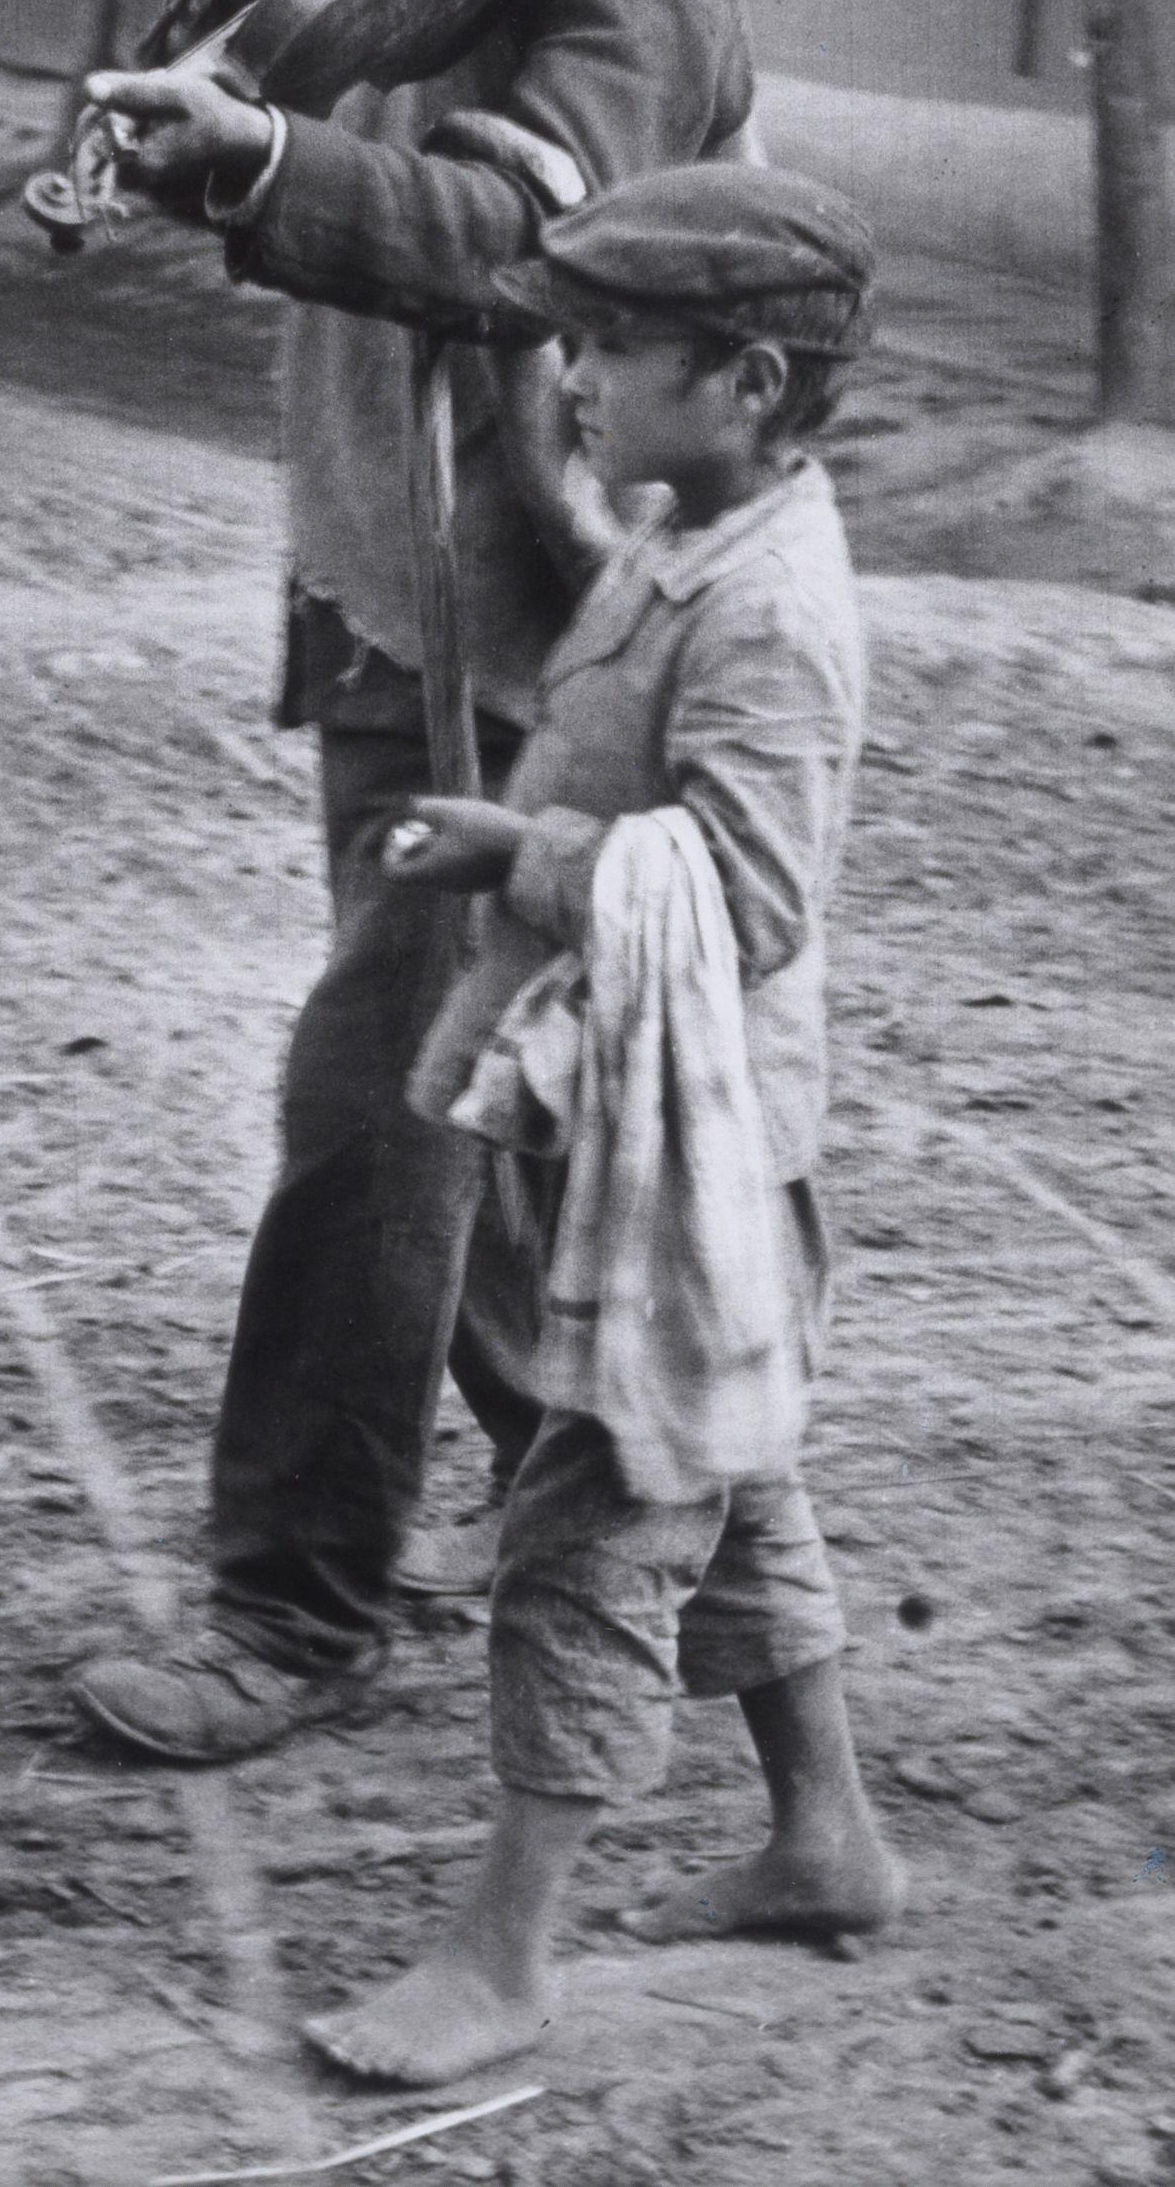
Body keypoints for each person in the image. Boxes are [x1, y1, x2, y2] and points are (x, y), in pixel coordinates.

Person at [70, 0, 758, 1762]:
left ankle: (288, 1607)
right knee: (481, 1165)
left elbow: (494, 236)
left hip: (535, 650)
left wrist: (256, 155)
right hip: (390, 603)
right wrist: (236, 40)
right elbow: (326, 103)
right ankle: (727, 1606)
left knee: (373, 1102)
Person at [298, 157, 901, 2087]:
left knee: (590, 1527)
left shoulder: (772, 613)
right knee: (728, 1473)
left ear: (743, 384)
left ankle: (502, 1954)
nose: (572, 375)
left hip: (711, 1137)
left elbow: (747, 897)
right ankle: (825, 1837)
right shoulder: (679, 529)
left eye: (617, 347)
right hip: (627, 1099)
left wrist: (523, 847)